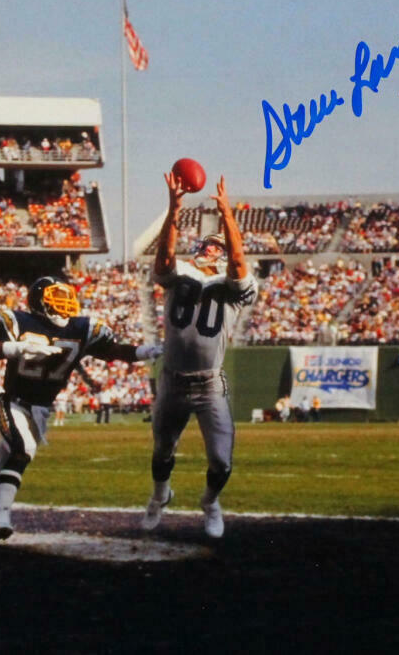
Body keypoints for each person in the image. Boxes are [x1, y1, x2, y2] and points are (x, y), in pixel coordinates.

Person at [0, 276, 162, 543]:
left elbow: (114, 351)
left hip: (40, 410)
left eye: (66, 297)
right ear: (39, 301)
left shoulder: (81, 327)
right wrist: (18, 347)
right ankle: (0, 519)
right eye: (56, 298)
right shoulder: (18, 321)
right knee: (23, 449)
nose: (64, 303)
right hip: (12, 402)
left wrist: (146, 351)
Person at [141, 173, 258, 539]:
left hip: (210, 384)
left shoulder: (236, 284)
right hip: (172, 380)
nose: (211, 249)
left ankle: (210, 502)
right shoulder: (181, 273)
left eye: (218, 246)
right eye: (207, 244)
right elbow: (164, 259)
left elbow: (238, 261)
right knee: (162, 450)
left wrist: (226, 213)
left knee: (221, 461)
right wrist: (174, 208)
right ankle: (160, 495)